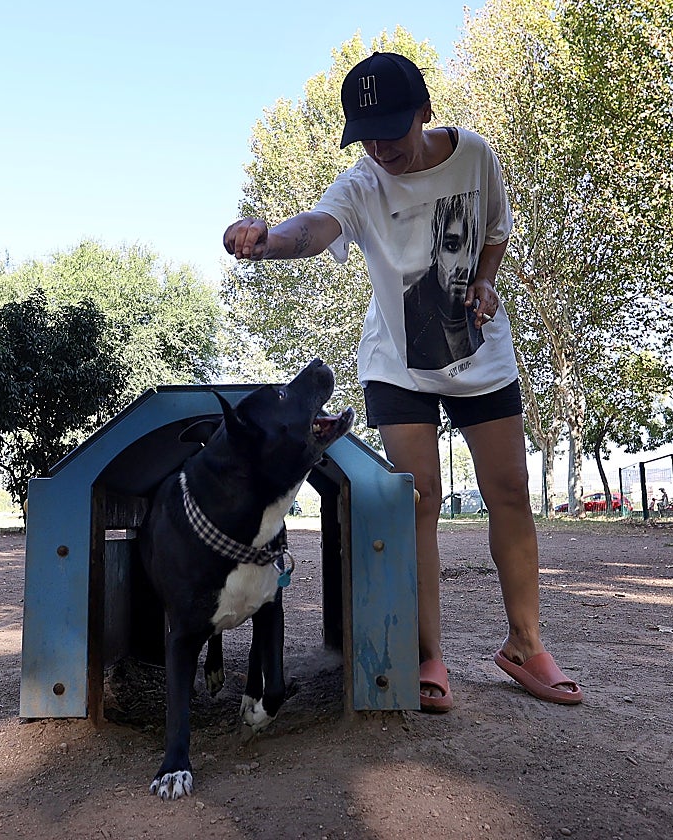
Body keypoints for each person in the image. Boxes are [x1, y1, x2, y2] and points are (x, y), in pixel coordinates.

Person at [223, 52, 582, 711]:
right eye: (365, 132)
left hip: (479, 352)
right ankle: (428, 655)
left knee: (509, 489)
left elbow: (495, 230)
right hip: (399, 363)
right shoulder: (361, 185)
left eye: (392, 127)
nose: (380, 146)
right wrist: (266, 238)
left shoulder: (475, 156)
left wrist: (485, 281)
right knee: (419, 500)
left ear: (424, 112)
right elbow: (313, 230)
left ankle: (525, 644)